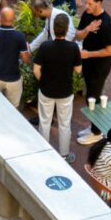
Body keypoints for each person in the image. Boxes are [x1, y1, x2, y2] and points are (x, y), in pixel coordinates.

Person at [32, 13, 81, 158]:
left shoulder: (45, 46)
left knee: (45, 122)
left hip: (46, 90)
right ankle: (64, 155)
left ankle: (44, 153)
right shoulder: (73, 48)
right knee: (65, 124)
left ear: (53, 28)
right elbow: (78, 69)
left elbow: (36, 69)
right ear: (67, 30)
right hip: (65, 91)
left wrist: (43, 80)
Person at [0, 3, 29, 107]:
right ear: (14, 18)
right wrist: (27, 48)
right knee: (14, 108)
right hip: (13, 78)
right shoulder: (19, 36)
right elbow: (25, 59)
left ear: (0, 20)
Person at [76, 0, 111, 111]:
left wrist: (88, 54)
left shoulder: (106, 24)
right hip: (87, 62)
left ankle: (96, 129)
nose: (86, 6)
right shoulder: (87, 14)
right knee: (91, 95)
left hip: (99, 67)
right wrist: (87, 29)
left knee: (93, 98)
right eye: (86, 2)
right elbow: (78, 35)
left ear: (98, 3)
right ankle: (95, 128)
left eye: (90, 4)